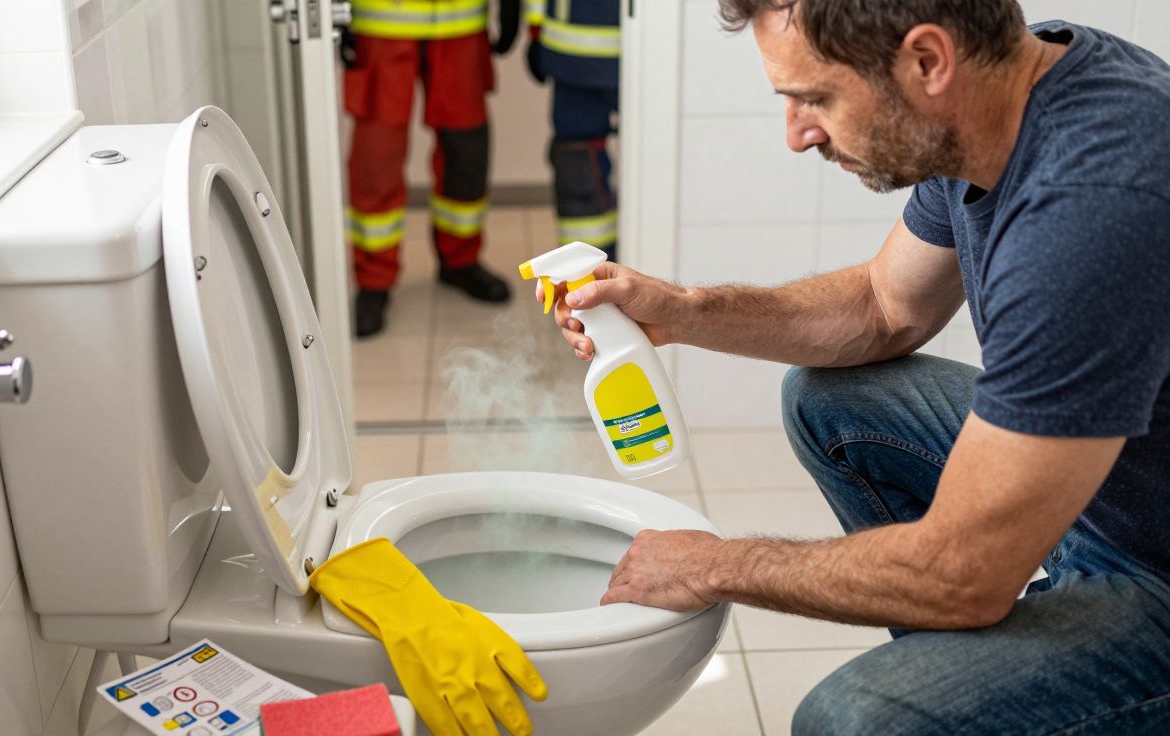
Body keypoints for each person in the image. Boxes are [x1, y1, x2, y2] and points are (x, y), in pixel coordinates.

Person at [544, 1, 1170, 732]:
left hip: (1151, 567)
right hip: (1111, 495)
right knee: (835, 402)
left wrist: (713, 565)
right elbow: (884, 306)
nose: (796, 134)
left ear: (928, 61)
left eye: (814, 98)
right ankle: (984, 690)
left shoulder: (1092, 210)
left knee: (850, 719)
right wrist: (679, 311)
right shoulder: (1001, 95)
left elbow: (963, 575)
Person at [340, 0, 521, 337]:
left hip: (462, 24)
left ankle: (460, 260)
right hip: (382, 23)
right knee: (377, 160)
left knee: (466, 155)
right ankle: (373, 280)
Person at [524, 0, 620, 259]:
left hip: (643, 53)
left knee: (659, 163)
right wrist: (536, 29)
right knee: (576, 162)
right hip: (572, 58)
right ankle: (586, 266)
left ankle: (590, 266)